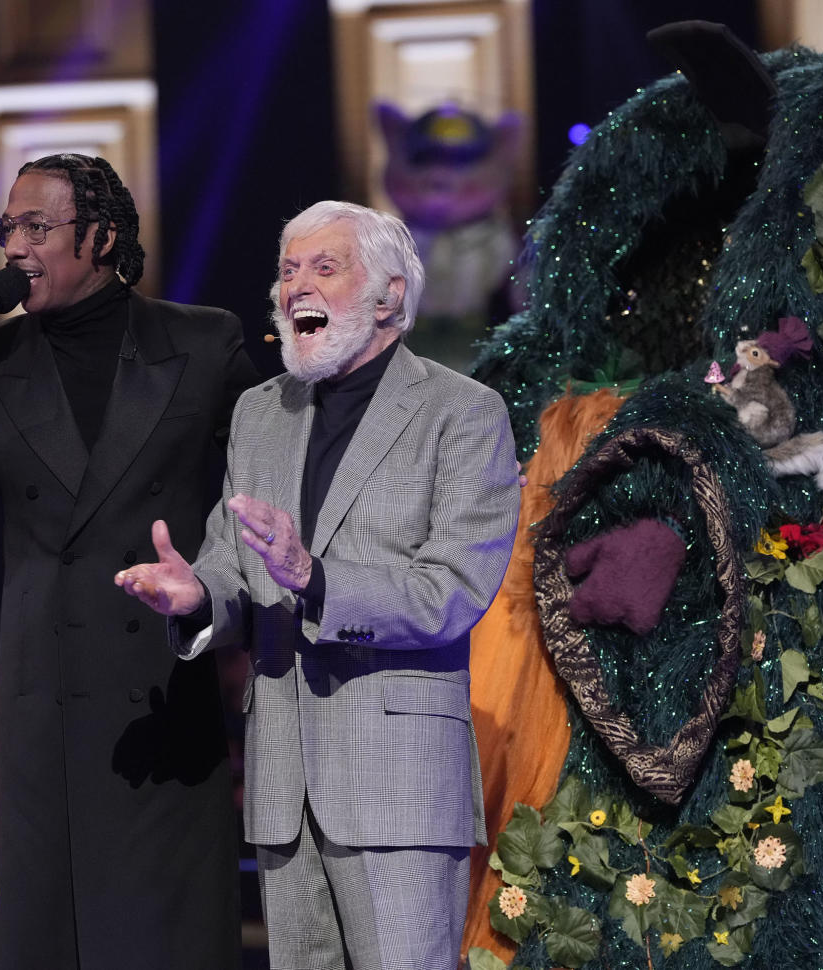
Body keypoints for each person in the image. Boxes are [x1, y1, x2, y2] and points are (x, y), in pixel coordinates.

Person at [116, 200, 520, 970]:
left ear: (390, 296)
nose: (295, 285)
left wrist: (317, 579)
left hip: (398, 785)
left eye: (323, 267)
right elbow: (234, 561)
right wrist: (196, 594)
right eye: (287, 269)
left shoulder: (462, 414)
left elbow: (454, 589)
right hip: (283, 785)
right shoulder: (259, 414)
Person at [0, 153, 258, 969]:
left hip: (161, 699)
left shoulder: (201, 345)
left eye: (38, 226)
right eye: (6, 229)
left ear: (99, 236)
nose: (15, 247)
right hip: (45, 717)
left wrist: (217, 587)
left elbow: (270, 488)